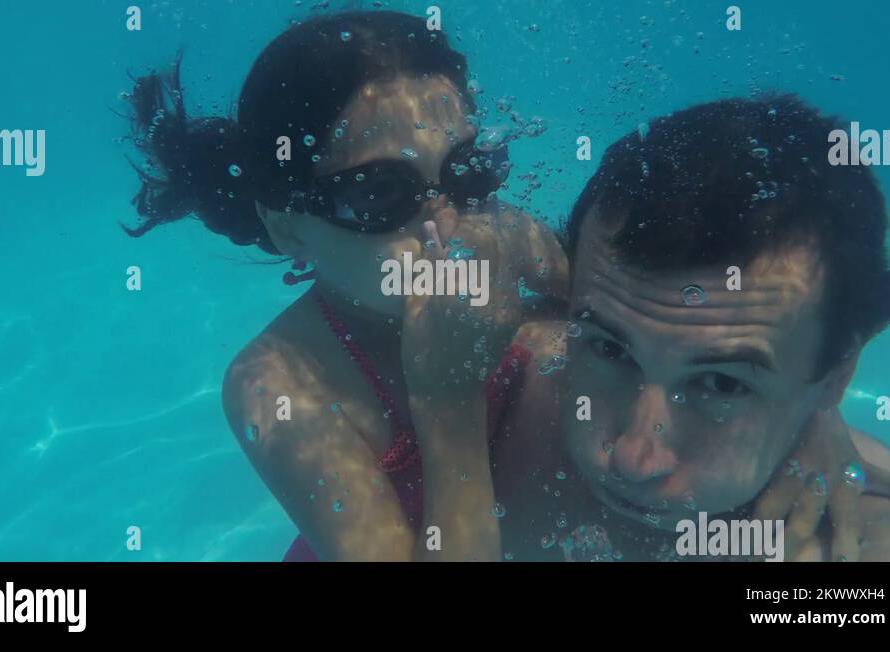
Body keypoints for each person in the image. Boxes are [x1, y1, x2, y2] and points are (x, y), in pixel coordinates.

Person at [407, 94, 890, 561]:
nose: (633, 459)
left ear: (836, 377)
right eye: (611, 350)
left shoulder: (875, 551)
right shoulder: (478, 368)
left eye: (721, 383)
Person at [121, 10, 564, 561]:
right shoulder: (280, 382)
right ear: (287, 228)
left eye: (466, 170)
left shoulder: (505, 236)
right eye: (378, 193)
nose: (443, 222)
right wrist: (448, 403)